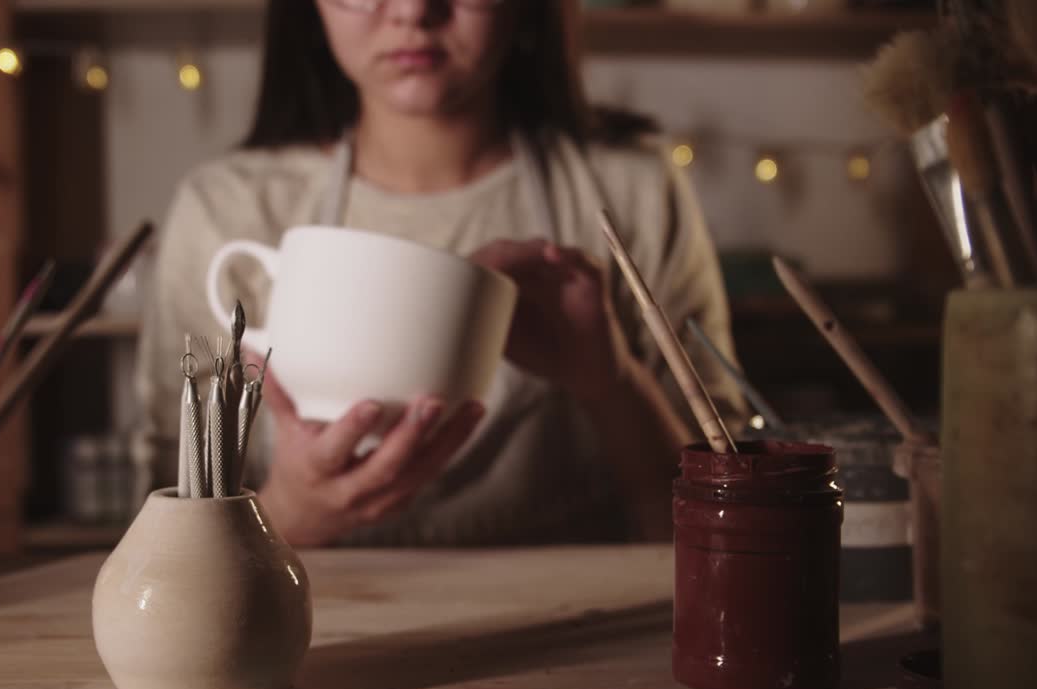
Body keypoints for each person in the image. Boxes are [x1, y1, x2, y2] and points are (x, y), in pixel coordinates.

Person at [135, 0, 746, 547]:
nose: (412, 11)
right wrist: (293, 514)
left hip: (585, 642)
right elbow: (162, 542)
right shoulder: (226, 211)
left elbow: (735, 526)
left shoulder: (632, 192)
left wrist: (613, 384)